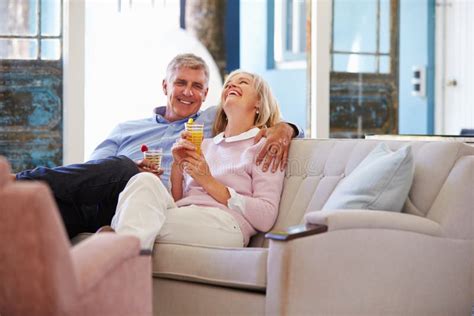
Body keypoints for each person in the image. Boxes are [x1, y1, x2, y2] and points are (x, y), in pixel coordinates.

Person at [13, 54, 302, 239]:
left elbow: (262, 116)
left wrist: (284, 129)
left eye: (197, 87)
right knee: (45, 214)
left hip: (159, 202)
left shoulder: (215, 121)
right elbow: (90, 174)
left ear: (205, 94)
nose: (188, 92)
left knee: (130, 174)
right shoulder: (126, 129)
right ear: (165, 86)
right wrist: (127, 171)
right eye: (181, 83)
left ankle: (18, 183)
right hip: (108, 197)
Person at [107, 70, 285, 249]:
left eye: (243, 82)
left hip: (226, 223)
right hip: (187, 214)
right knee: (144, 180)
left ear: (259, 103)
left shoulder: (264, 147)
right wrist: (178, 166)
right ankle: (126, 262)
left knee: (141, 219)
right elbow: (180, 201)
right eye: (229, 83)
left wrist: (208, 181)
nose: (232, 85)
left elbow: (266, 216)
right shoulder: (204, 145)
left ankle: (114, 240)